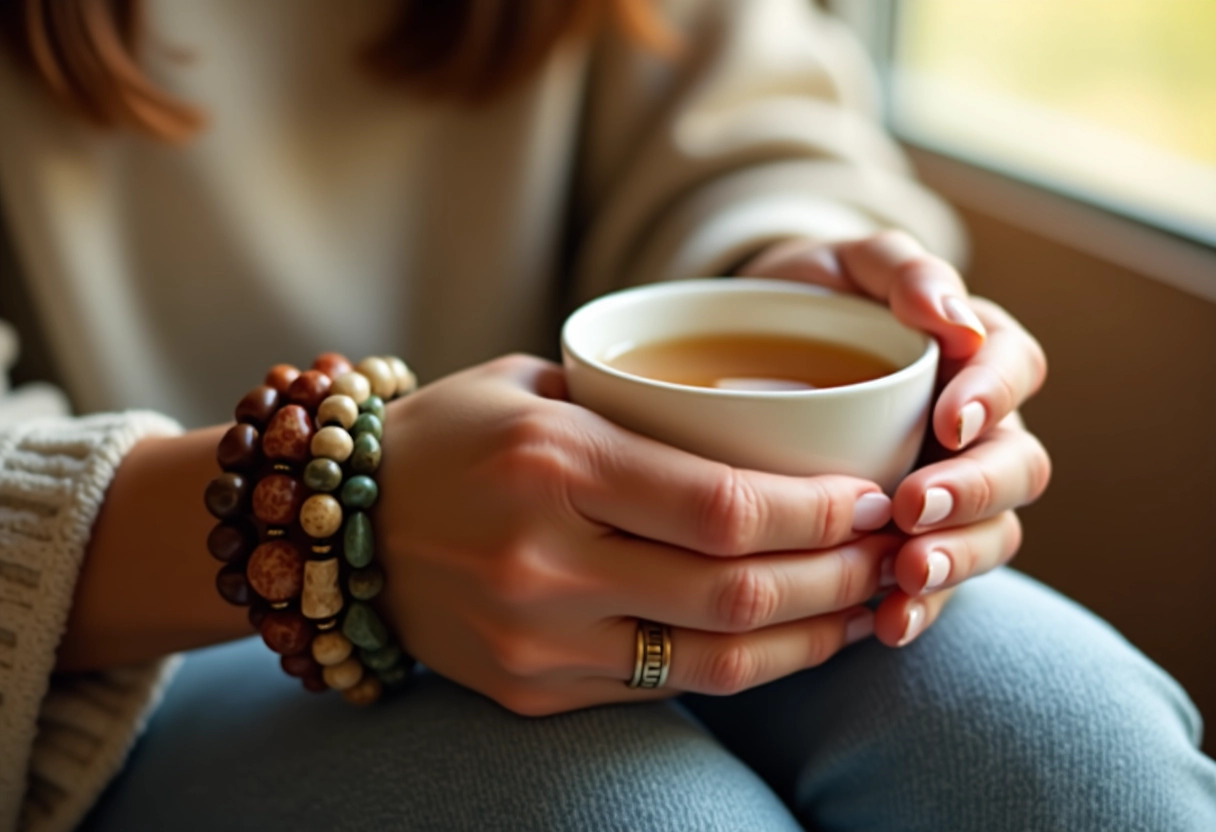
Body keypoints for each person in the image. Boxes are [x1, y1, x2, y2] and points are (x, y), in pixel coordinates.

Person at [0, 1, 1212, 830]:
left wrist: (796, 278)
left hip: (630, 536)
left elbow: (741, 120)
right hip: (113, 652)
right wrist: (332, 535)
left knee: (1062, 740)